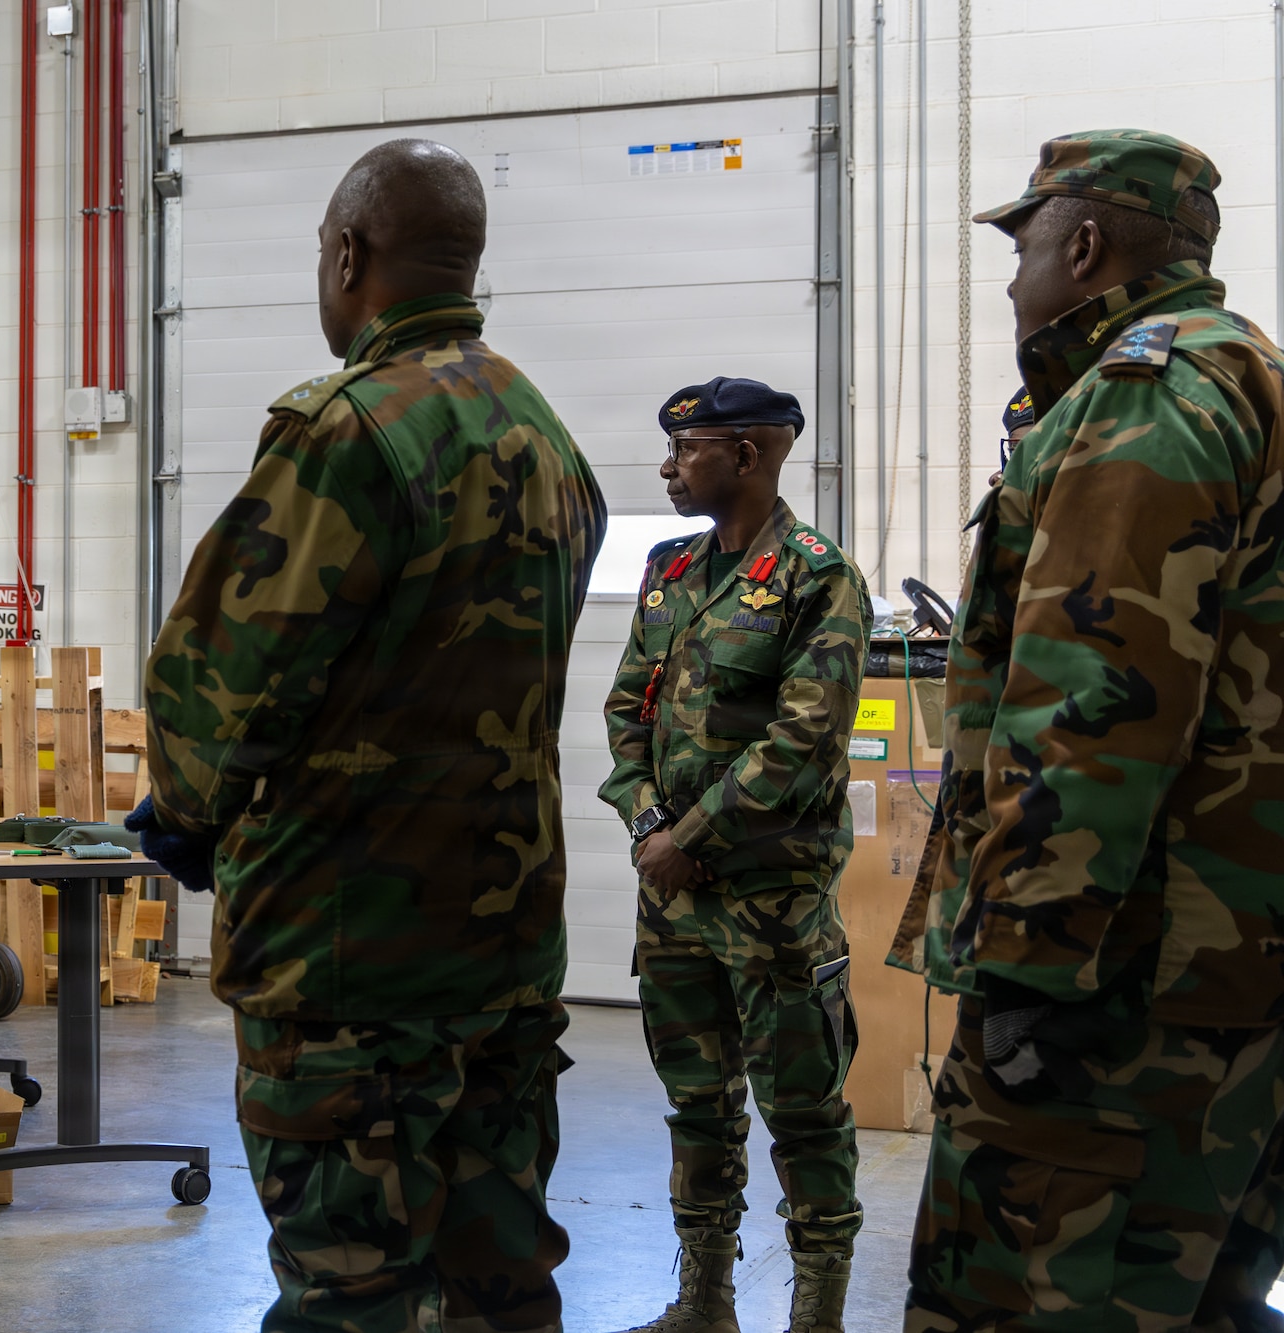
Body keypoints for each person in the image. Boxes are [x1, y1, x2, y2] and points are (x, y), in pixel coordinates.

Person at [132, 138, 607, 1333]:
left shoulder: (349, 431)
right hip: (502, 948)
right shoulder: (544, 434)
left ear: (348, 255)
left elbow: (219, 675)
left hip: (351, 958)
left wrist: (184, 819)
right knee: (499, 1279)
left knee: (351, 1284)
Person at [891, 129, 1284, 1331]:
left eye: (1023, 246)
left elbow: (1095, 710)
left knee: (1020, 1295)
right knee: (1198, 1294)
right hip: (1224, 965)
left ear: (1086, 242)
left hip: (1120, 989)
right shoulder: (1244, 371)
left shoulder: (1144, 396)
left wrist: (1024, 968)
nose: (1012, 281)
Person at [601, 377, 870, 1333]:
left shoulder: (816, 576)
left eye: (688, 449)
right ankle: (704, 1300)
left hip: (773, 903)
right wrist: (646, 828)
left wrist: (691, 837)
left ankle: (817, 1316)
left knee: (803, 1112)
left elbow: (803, 740)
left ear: (749, 454)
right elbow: (625, 713)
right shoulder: (670, 571)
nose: (669, 466)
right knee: (697, 1107)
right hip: (671, 903)